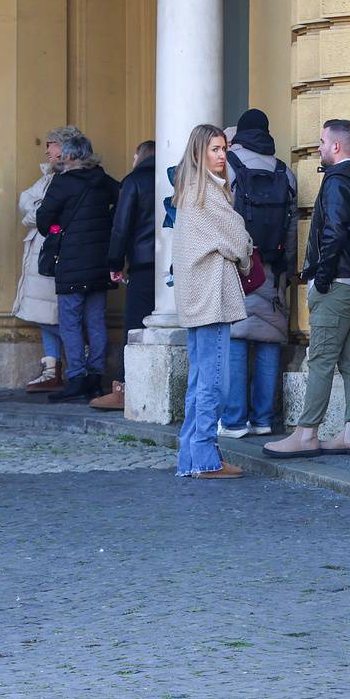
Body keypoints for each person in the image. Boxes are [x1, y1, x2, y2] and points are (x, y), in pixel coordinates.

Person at [266, 119, 350, 457]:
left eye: (321, 141)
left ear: (336, 146)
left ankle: (306, 434)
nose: (317, 147)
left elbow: (334, 233)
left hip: (338, 284)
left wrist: (323, 277)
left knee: (319, 359)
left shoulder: (337, 182)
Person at [168, 124, 253, 478]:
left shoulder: (190, 191)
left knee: (200, 380)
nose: (221, 156)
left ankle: (191, 458)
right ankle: (205, 459)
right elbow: (238, 239)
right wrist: (246, 252)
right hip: (211, 297)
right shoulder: (208, 194)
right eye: (215, 149)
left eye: (223, 149)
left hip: (199, 296)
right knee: (215, 381)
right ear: (199, 152)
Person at [223, 110, 297, 437]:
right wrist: (287, 268)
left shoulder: (227, 163)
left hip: (237, 266)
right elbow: (293, 227)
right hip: (272, 267)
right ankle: (264, 419)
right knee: (269, 338)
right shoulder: (285, 171)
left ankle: (235, 420)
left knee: (236, 337)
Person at [36, 132, 120, 404]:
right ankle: (96, 377)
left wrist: (59, 228)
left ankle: (77, 377)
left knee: (70, 322)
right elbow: (123, 201)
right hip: (99, 262)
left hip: (71, 263)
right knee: (95, 320)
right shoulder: (103, 180)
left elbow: (43, 220)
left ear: (70, 156)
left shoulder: (63, 183)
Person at [16, 127, 77, 393]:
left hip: (55, 251)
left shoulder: (69, 177)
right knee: (42, 311)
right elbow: (24, 202)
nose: (47, 149)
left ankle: (74, 363)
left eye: (51, 144)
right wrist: (37, 212)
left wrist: (37, 213)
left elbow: (42, 213)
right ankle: (52, 367)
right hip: (41, 250)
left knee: (55, 314)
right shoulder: (46, 178)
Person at [109, 139, 160, 337]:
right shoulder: (175, 179)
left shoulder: (133, 181)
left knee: (136, 327)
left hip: (142, 265)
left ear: (142, 156)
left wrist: (115, 263)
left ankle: (131, 369)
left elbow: (121, 226)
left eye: (135, 156)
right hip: (173, 266)